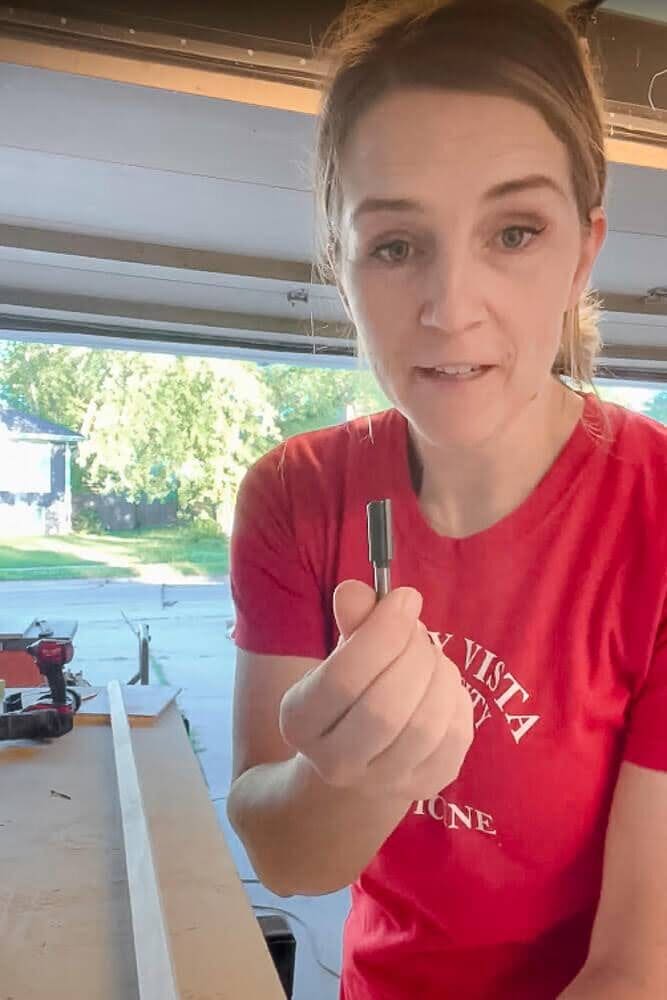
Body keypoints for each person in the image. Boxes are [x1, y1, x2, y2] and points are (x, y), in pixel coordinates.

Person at [227, 1, 667, 997]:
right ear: (341, 267)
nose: (450, 308)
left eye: (513, 232)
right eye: (394, 245)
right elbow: (288, 859)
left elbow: (637, 966)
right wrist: (354, 774)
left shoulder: (656, 515)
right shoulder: (295, 498)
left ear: (582, 254)